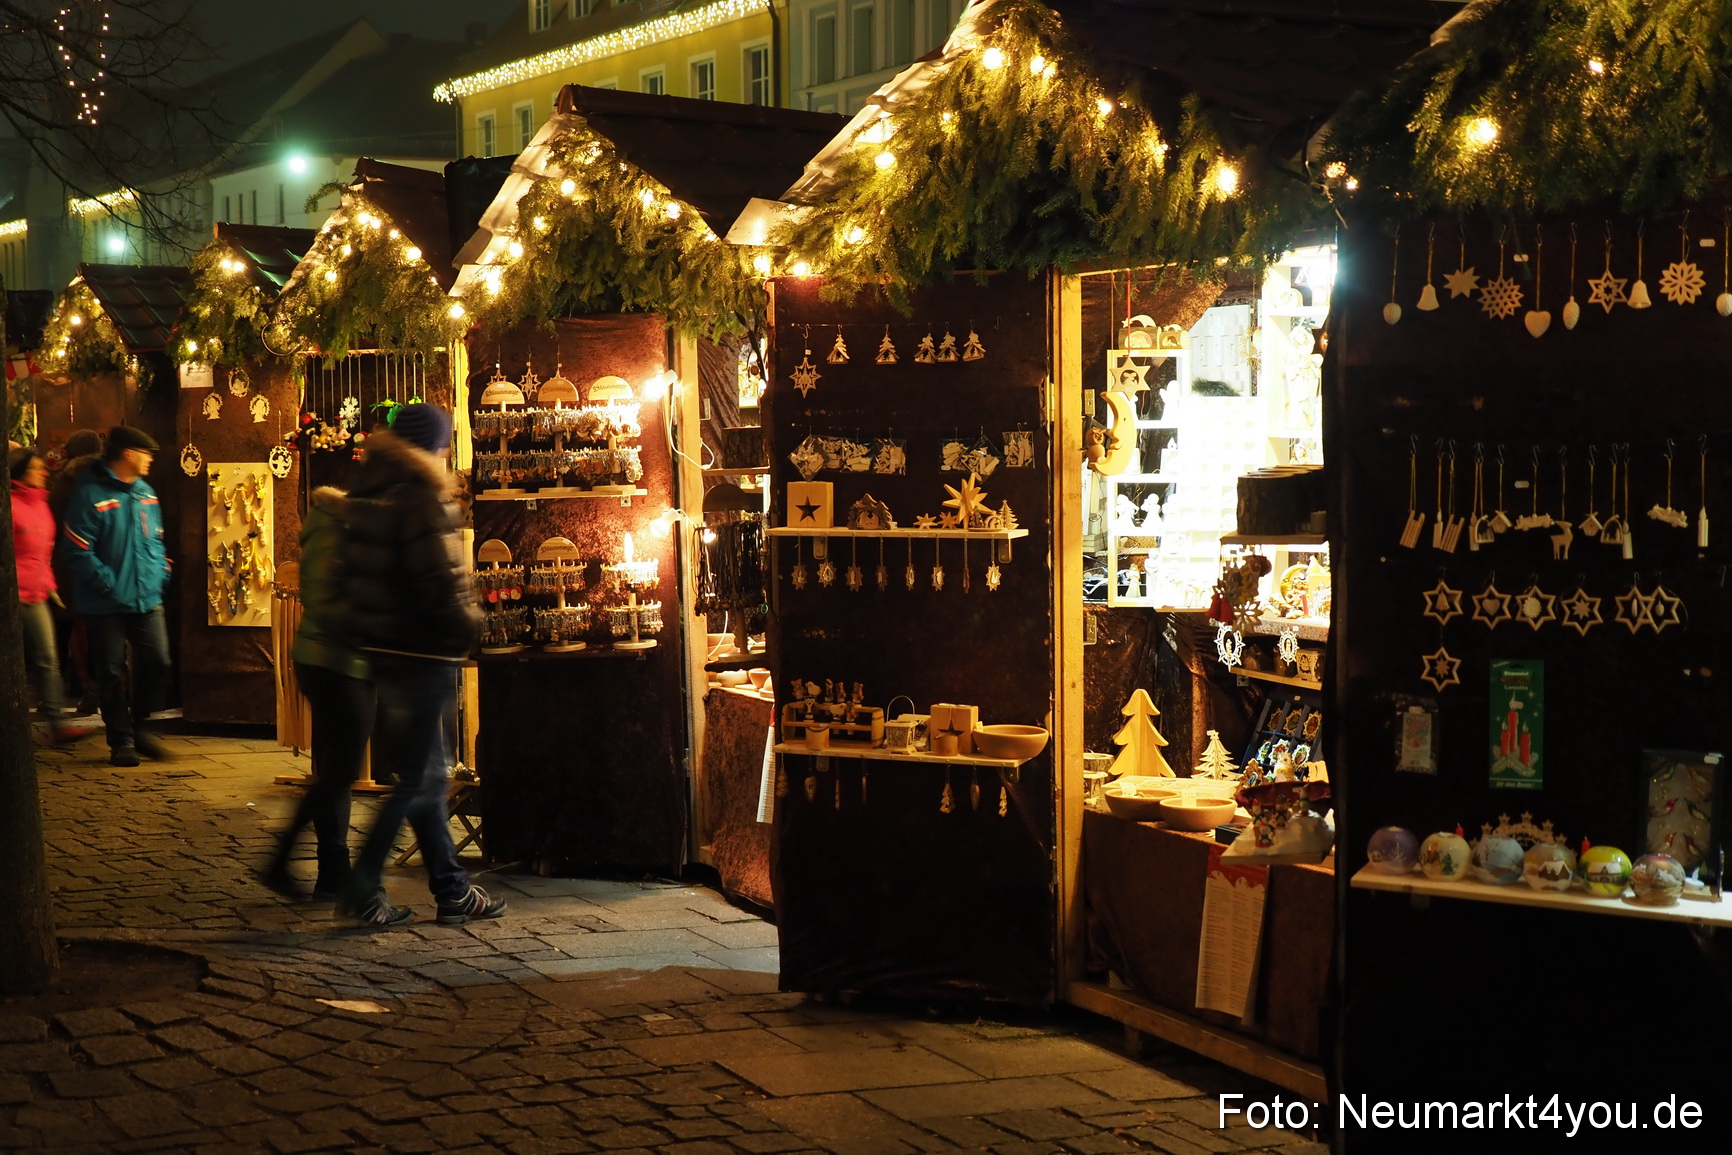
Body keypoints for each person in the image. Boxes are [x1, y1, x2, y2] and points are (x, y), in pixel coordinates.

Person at [340, 404, 501, 928]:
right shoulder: (419, 496)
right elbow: (438, 583)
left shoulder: (371, 491)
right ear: (432, 446)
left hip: (387, 650)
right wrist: (472, 624)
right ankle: (363, 888)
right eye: (445, 444)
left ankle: (452, 890)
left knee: (426, 775)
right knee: (419, 778)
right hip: (423, 651)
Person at [257, 485, 373, 901]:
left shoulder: (334, 526)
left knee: (336, 773)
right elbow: (331, 602)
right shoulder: (338, 531)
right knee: (338, 773)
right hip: (339, 664)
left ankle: (332, 871)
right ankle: (288, 860)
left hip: (333, 661)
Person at [59, 425, 173, 767]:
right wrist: (108, 582)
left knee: (158, 661)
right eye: (146, 454)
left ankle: (138, 726)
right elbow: (77, 550)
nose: (150, 459)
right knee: (110, 672)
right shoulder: (89, 495)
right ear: (128, 454)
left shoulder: (146, 494)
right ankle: (120, 739)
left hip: (146, 598)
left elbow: (155, 540)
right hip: (104, 602)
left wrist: (160, 571)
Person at [10, 447, 79, 744]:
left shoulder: (41, 503)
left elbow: (43, 550)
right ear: (21, 472)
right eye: (37, 468)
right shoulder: (9, 504)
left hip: (37, 590)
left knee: (47, 657)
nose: (44, 472)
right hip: (14, 592)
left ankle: (57, 722)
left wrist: (48, 581)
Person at [50, 430, 105, 717]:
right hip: (100, 563)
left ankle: (57, 692)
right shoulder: (107, 480)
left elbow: (54, 523)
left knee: (63, 628)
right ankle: (96, 689)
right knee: (99, 631)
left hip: (67, 566)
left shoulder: (62, 484)